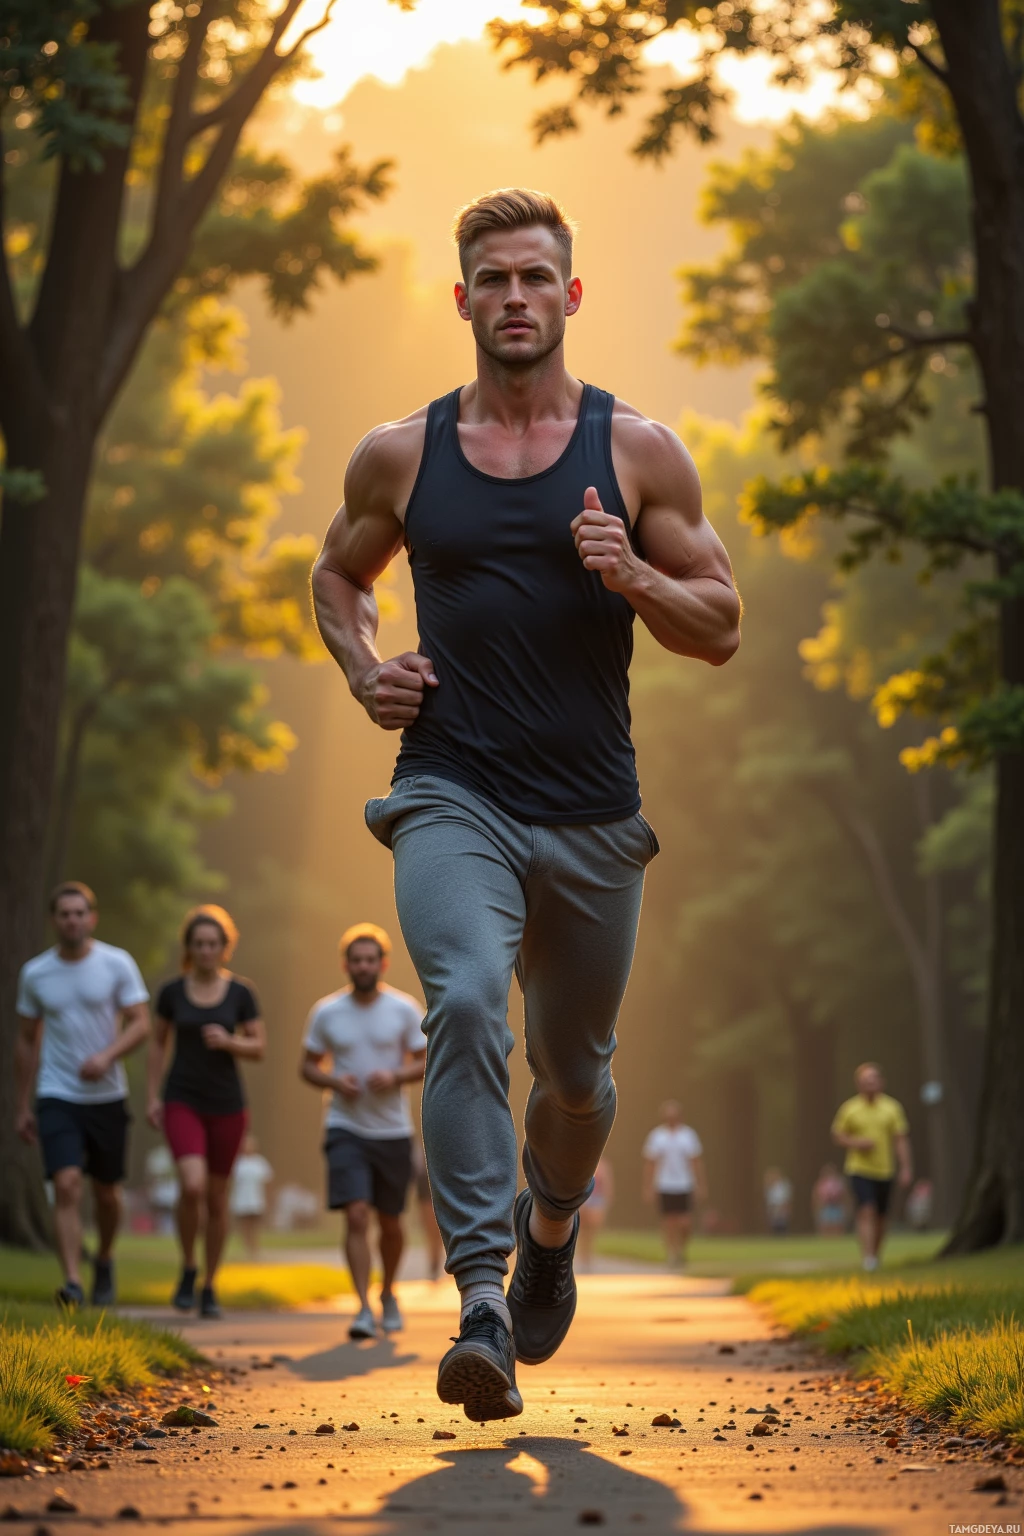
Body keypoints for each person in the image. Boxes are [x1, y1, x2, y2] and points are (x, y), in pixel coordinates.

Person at [311, 187, 739, 1422]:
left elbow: (720, 626)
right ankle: (484, 1302)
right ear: (461, 299)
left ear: (570, 294)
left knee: (576, 1079)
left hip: (595, 811)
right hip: (452, 788)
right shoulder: (402, 451)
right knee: (455, 1003)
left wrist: (636, 573)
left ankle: (549, 1224)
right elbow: (338, 575)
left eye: (533, 278)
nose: (513, 298)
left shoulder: (636, 451)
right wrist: (361, 667)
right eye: (491, 279)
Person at [14, 881, 150, 1308]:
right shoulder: (36, 974)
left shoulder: (116, 963)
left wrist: (108, 1056)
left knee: (107, 1193)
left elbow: (140, 1022)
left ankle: (105, 1259)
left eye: (79, 913)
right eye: (63, 914)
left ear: (91, 918)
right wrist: (23, 1105)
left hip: (107, 1095)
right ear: (54, 920)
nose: (72, 920)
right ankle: (72, 1281)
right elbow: (25, 1039)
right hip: (57, 1092)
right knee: (67, 1183)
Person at [300, 923, 427, 1339]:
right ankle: (361, 1308)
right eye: (356, 960)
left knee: (390, 1222)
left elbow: (428, 1059)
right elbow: (307, 1066)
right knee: (356, 1215)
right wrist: (336, 1082)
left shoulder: (405, 1009)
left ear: (383, 963)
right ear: (346, 965)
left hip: (392, 1131)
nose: (363, 966)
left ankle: (388, 1292)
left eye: (370, 959)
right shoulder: (327, 1012)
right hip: (345, 1126)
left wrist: (395, 1075)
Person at [147, 905, 265, 1317]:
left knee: (217, 1199)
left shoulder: (240, 993)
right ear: (189, 947)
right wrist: (152, 1096)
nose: (206, 950)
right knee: (192, 1185)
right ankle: (188, 1266)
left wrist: (230, 1041)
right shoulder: (171, 993)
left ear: (224, 948)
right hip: (182, 1098)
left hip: (228, 1105)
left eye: (213, 943)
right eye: (198, 943)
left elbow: (259, 1047)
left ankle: (210, 1285)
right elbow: (157, 1045)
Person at [831, 1062, 913, 1272]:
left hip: (885, 1170)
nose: (870, 1084)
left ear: (881, 1082)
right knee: (866, 1211)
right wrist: (857, 1143)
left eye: (873, 1079)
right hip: (858, 1169)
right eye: (865, 1081)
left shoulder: (892, 1108)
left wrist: (905, 1167)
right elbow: (838, 1135)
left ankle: (875, 1255)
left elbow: (900, 1139)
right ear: (859, 1084)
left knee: (882, 1217)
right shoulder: (850, 1109)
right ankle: (868, 1258)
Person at [642, 1102, 707, 1269]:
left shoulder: (688, 1135)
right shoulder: (657, 1136)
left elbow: (695, 1162)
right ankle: (672, 1252)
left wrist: (700, 1184)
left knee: (685, 1222)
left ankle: (681, 1249)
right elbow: (651, 1163)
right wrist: (648, 1186)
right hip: (664, 1184)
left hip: (684, 1183)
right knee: (668, 1222)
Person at [230, 1134, 274, 1260]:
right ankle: (246, 1246)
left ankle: (255, 1246)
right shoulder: (238, 1163)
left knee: (255, 1223)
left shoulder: (260, 1162)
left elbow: (267, 1181)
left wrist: (268, 1199)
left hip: (256, 1198)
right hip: (241, 1199)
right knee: (244, 1223)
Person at [412, 1135, 445, 1282]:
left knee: (437, 1227)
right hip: (424, 1184)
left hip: (440, 1181)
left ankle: (436, 1263)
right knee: (430, 1228)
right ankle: (433, 1263)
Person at [578, 1157, 614, 1272]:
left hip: (597, 1199)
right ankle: (583, 1257)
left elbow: (607, 1184)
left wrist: (607, 1200)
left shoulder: (604, 1166)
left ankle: (589, 1257)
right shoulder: (582, 1164)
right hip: (584, 1197)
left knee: (592, 1230)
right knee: (583, 1230)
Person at [145, 1143, 179, 1237]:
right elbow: (151, 1179)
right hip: (161, 1196)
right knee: (163, 1220)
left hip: (175, 1196)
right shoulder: (157, 1156)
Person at [811, 1161, 848, 1237]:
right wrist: (817, 1206)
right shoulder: (821, 1183)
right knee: (825, 1225)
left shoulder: (839, 1182)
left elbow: (843, 1195)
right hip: (825, 1206)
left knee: (837, 1225)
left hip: (836, 1205)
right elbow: (816, 1195)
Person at [763, 1166, 793, 1235]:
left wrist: (786, 1207)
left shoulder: (783, 1185)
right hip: (773, 1208)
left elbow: (786, 1198)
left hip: (781, 1207)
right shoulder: (770, 1186)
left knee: (782, 1226)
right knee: (774, 1226)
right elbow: (769, 1199)